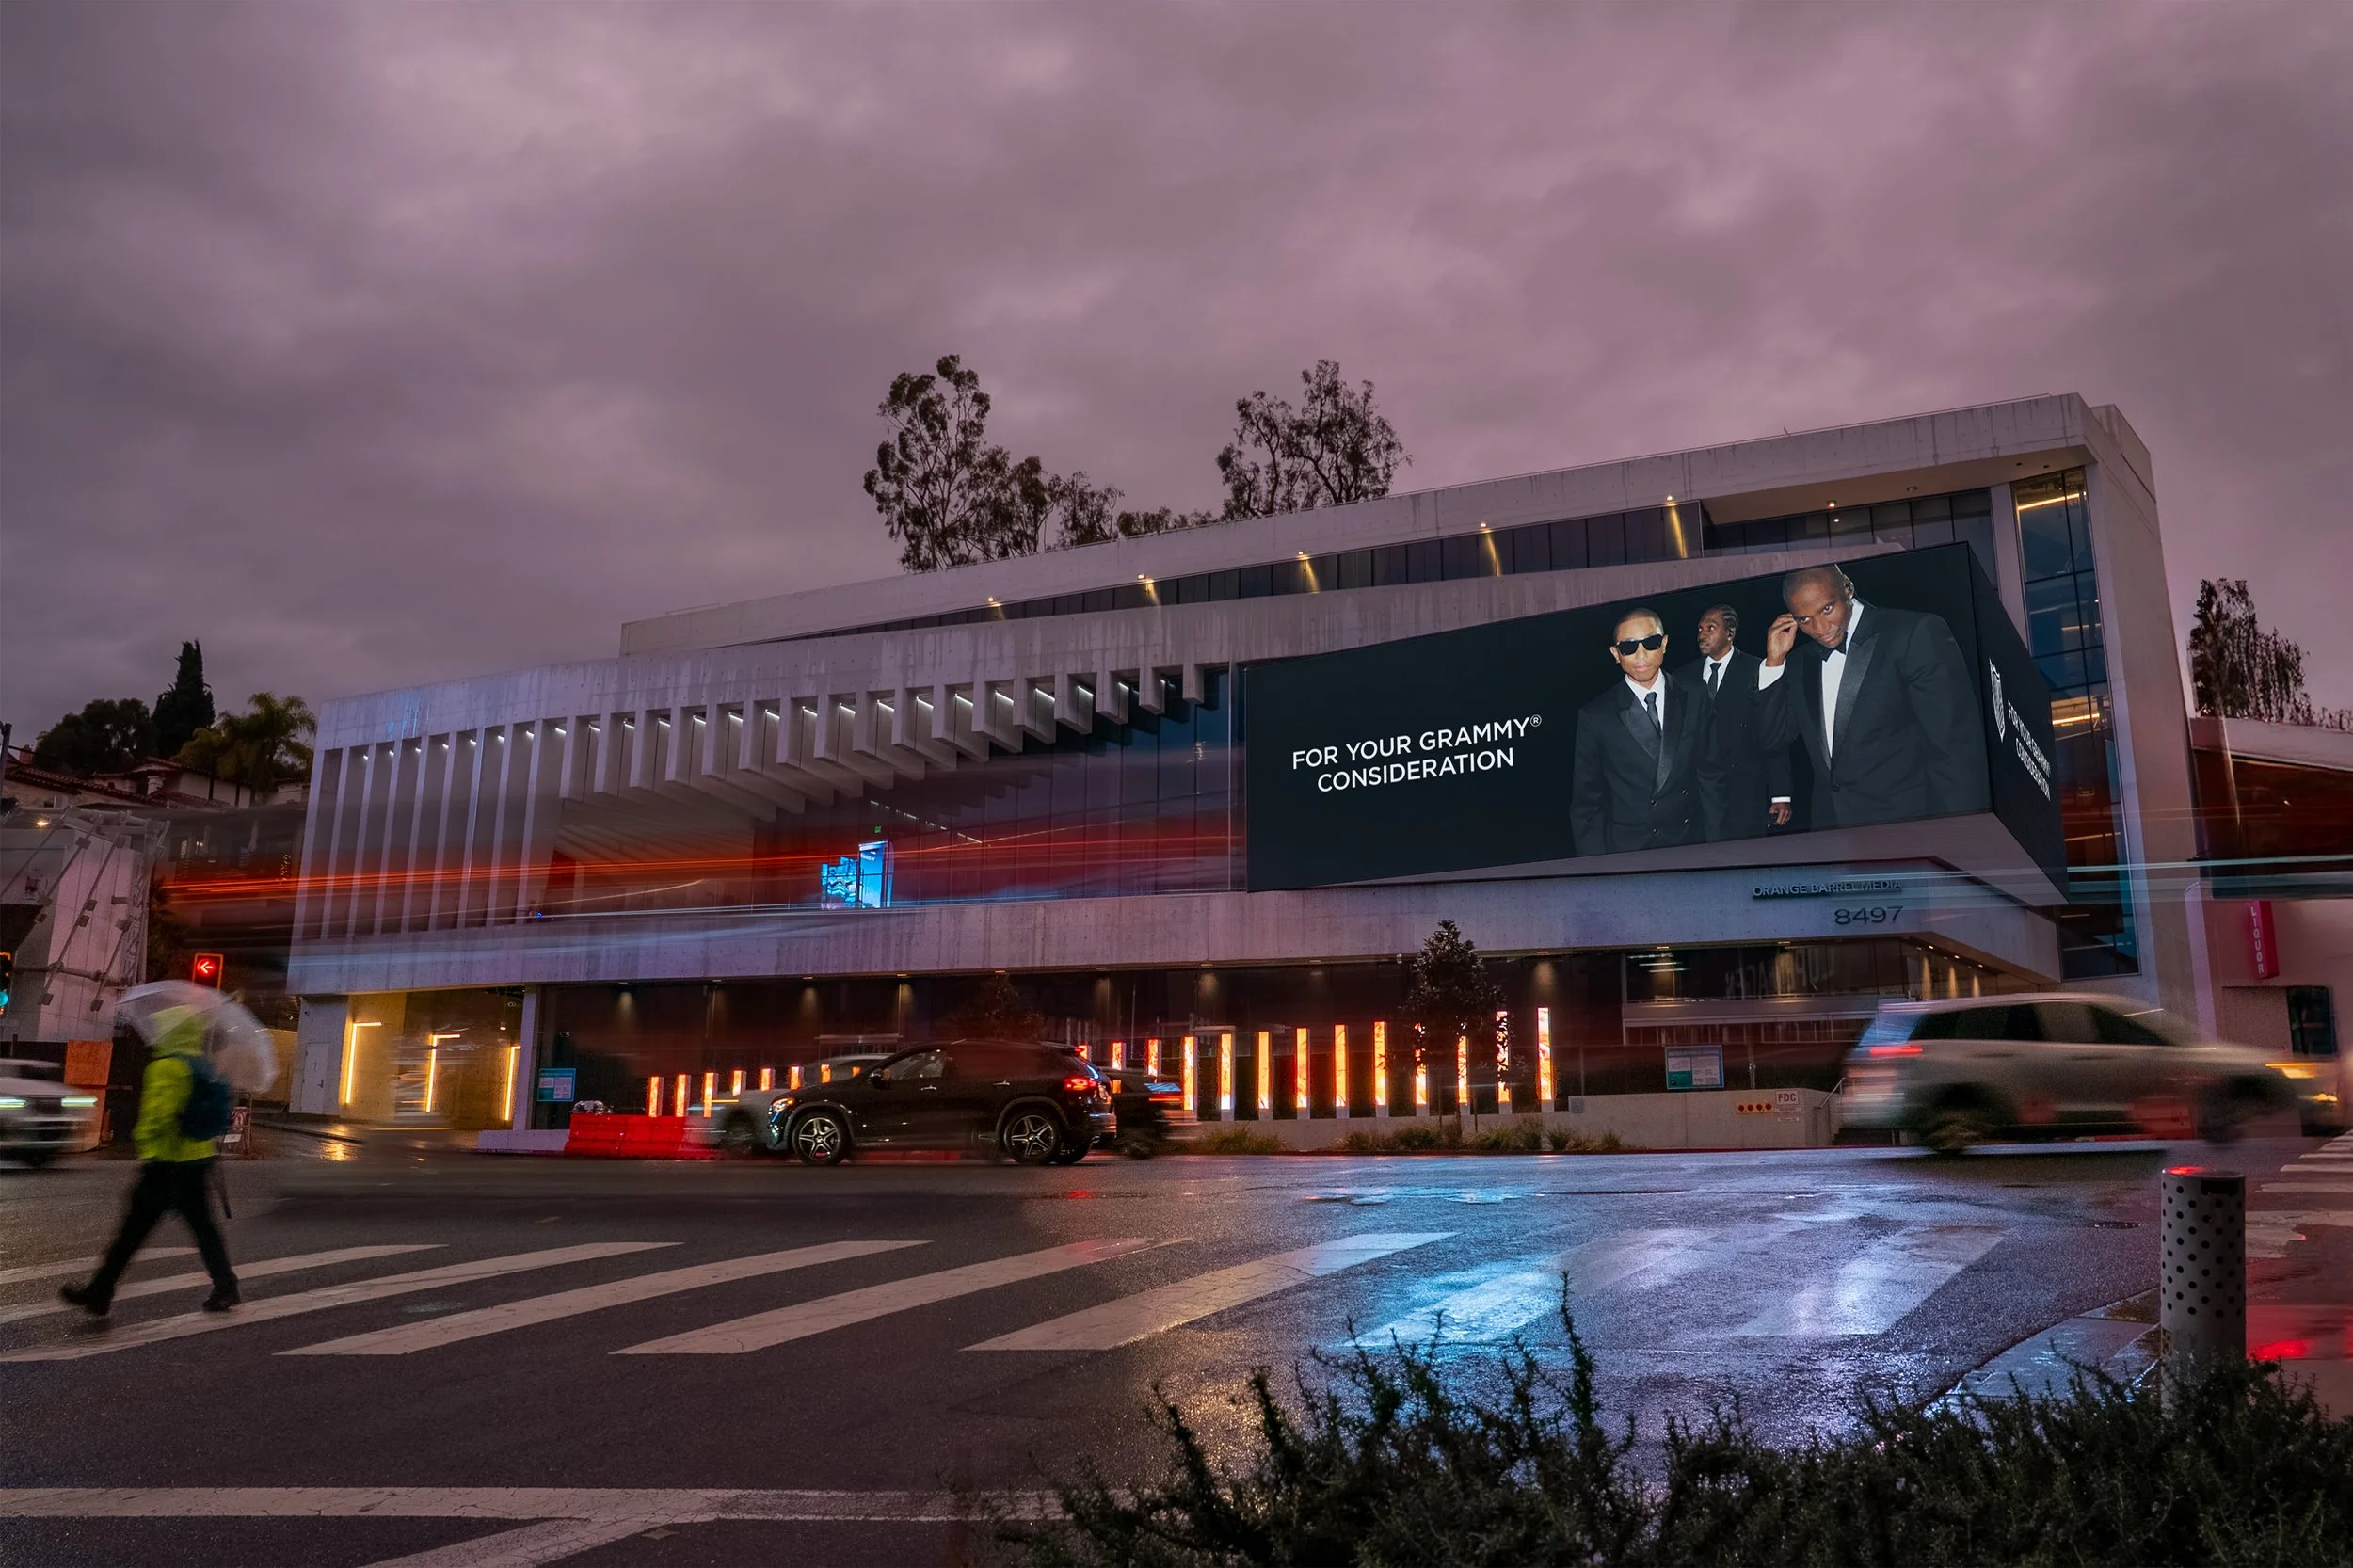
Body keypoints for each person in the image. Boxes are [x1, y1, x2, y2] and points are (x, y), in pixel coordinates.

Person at [1755, 565, 1988, 829]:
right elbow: (1772, 738)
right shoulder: (1798, 663)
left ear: (1848, 588)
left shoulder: (1913, 633)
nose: (1820, 628)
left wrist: (1962, 834)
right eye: (1804, 619)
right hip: (1832, 834)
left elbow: (1954, 748)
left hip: (1908, 827)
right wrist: (1774, 663)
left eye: (1827, 609)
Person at [60, 1006, 239, 1317]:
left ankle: (100, 1292)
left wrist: (142, 1139)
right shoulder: (201, 1065)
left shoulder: (166, 1067)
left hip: (165, 1163)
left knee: (130, 1233)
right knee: (204, 1230)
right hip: (197, 1160)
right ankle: (226, 1287)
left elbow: (158, 1116)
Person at [1570, 606, 1706, 855]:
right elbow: (1587, 804)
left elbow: (1713, 775)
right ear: (1615, 653)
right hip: (1629, 850)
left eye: (1651, 642)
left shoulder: (1695, 694)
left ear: (1664, 643)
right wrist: (1595, 870)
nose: (1641, 655)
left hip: (1690, 842)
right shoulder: (1596, 715)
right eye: (1629, 647)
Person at [1677, 603, 1792, 840]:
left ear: (1730, 633)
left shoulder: (1758, 669)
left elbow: (1774, 732)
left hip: (1745, 792)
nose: (1702, 634)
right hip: (1697, 796)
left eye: (1711, 627)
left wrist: (1781, 795)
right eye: (1700, 629)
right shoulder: (1681, 678)